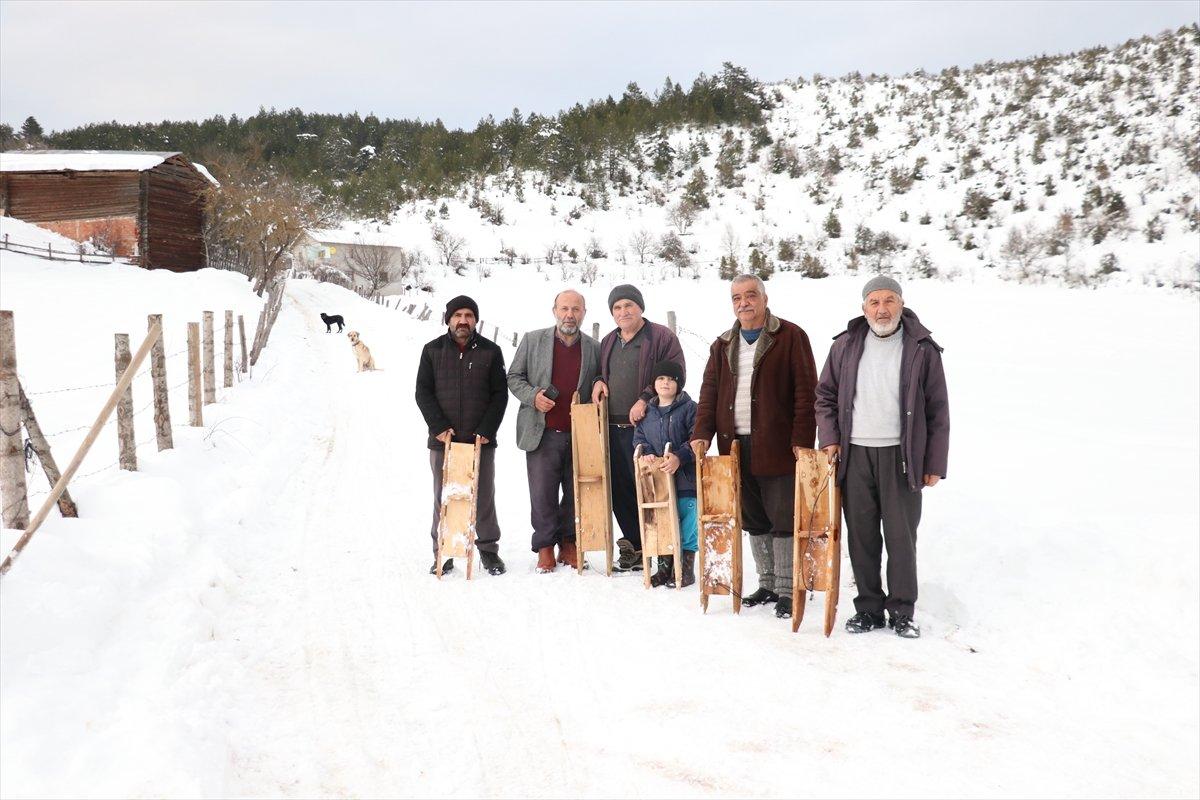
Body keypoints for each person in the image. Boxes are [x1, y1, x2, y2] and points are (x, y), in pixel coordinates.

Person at [815, 276, 949, 639]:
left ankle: (903, 610)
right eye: (874, 302)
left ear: (901, 304)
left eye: (889, 300)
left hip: (902, 456)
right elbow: (825, 397)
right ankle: (869, 608)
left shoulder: (922, 348)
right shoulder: (844, 346)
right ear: (864, 308)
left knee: (901, 537)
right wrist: (830, 439)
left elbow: (937, 409)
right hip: (855, 454)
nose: (882, 309)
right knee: (862, 537)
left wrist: (934, 463)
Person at [692, 274, 818, 620]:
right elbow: (709, 394)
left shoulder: (790, 336)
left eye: (750, 296)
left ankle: (788, 588)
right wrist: (702, 433)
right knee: (753, 517)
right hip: (735, 446)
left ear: (764, 298)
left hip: (778, 445)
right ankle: (766, 583)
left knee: (783, 517)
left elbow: (807, 393)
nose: (743, 303)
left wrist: (802, 443)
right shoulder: (723, 344)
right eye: (737, 298)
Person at [591, 284, 686, 572]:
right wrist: (597, 380)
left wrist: (646, 398)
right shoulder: (608, 340)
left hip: (649, 427)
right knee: (621, 490)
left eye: (628, 305)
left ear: (640, 307)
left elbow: (676, 372)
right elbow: (599, 370)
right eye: (617, 308)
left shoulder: (661, 337)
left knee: (653, 487)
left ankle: (664, 551)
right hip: (613, 426)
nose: (623, 312)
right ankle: (635, 546)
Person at [414, 295, 509, 576]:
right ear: (448, 319)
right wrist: (439, 427)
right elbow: (423, 392)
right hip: (444, 440)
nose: (463, 320)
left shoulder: (491, 351)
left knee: (483, 497)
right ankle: (443, 551)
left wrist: (486, 430)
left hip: (480, 440)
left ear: (475, 320)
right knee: (442, 497)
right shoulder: (432, 351)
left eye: (469, 315)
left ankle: (489, 551)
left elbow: (499, 394)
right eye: (458, 315)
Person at [507, 289, 601, 573]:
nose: (569, 315)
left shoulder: (595, 348)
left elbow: (599, 378)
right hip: (541, 430)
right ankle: (545, 546)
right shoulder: (533, 340)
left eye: (575, 309)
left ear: (584, 312)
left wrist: (598, 382)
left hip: (580, 433)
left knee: (575, 491)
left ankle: (569, 542)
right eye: (564, 309)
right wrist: (533, 395)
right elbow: (513, 377)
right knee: (542, 492)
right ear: (554, 310)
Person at [633, 360, 698, 587]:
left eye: (671, 379)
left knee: (686, 520)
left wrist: (680, 456)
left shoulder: (690, 408)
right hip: (658, 480)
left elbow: (696, 439)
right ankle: (664, 567)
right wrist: (648, 453)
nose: (665, 383)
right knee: (662, 521)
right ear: (654, 383)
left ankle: (686, 568)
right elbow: (639, 437)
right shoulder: (648, 411)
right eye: (661, 379)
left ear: (678, 384)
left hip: (685, 478)